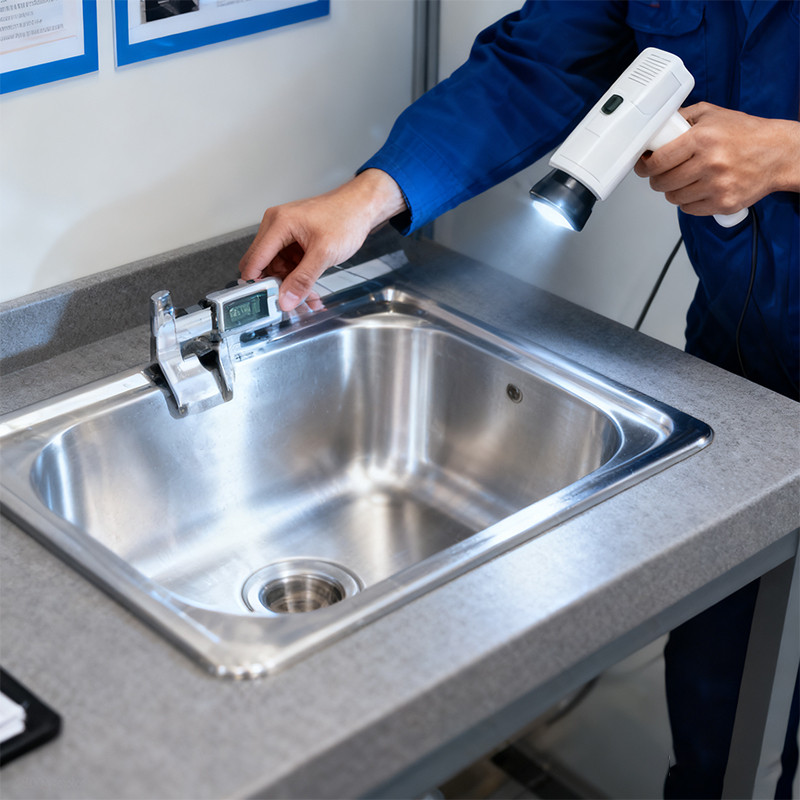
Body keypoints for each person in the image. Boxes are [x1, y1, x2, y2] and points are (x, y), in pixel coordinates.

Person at [239, 1, 800, 796]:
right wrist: (369, 197)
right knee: (722, 685)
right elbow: (538, 63)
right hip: (740, 358)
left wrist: (789, 154)